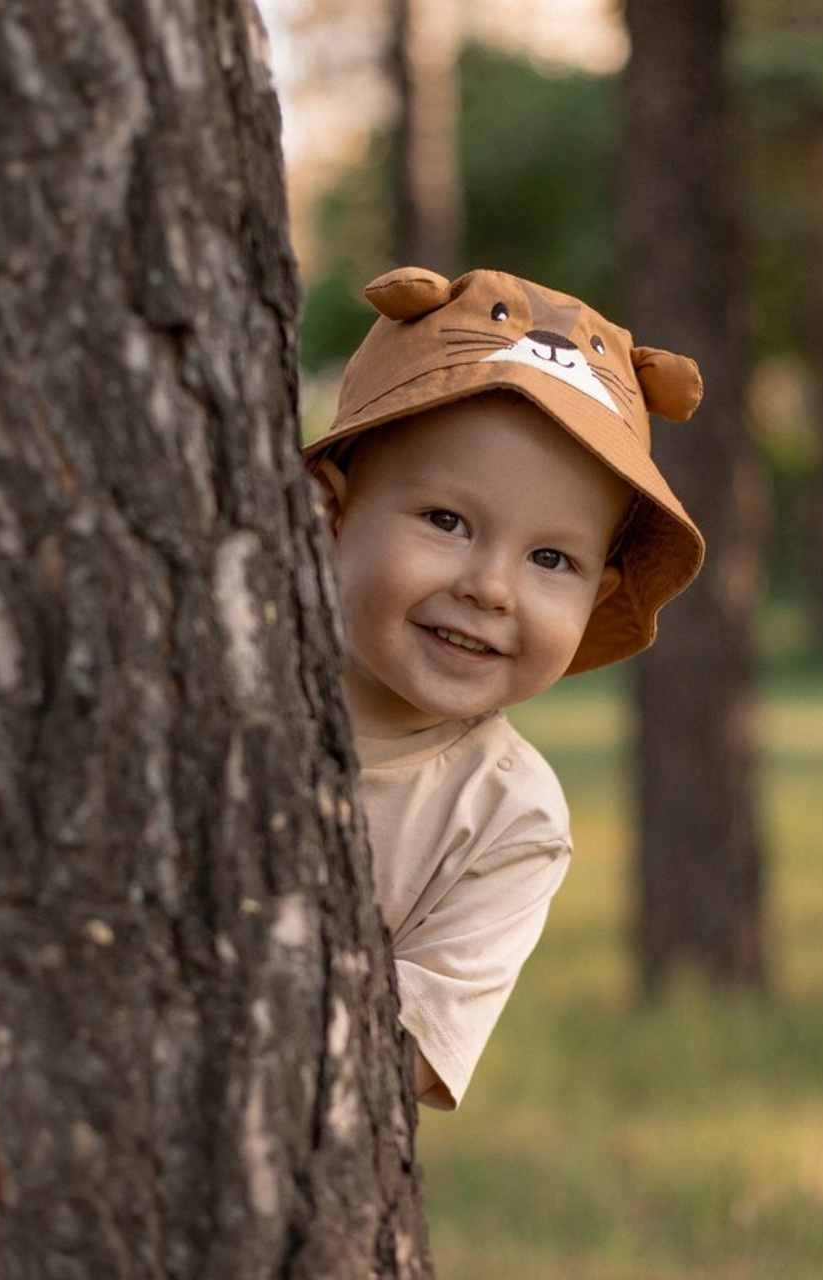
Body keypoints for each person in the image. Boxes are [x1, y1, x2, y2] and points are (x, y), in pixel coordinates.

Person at [304, 266, 705, 1109]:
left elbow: (410, 1056)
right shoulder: (202, 671)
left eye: (550, 559)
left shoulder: (507, 817)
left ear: (598, 594)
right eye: (447, 522)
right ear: (327, 512)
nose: (492, 587)